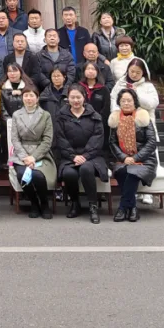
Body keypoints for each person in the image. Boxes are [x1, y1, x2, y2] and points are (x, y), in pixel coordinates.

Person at [54, 84, 108, 224]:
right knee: (69, 173)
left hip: (92, 156)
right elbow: (60, 138)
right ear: (68, 98)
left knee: (86, 168)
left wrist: (85, 156)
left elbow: (97, 138)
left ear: (84, 97)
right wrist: (73, 156)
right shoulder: (61, 116)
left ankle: (93, 206)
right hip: (69, 156)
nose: (76, 100)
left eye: (78, 97)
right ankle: (75, 203)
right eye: (72, 97)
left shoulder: (94, 116)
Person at [108, 88, 159, 222]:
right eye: (123, 101)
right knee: (121, 172)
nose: (126, 103)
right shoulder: (115, 119)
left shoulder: (143, 117)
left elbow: (151, 142)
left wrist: (135, 158)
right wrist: (124, 158)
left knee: (132, 173)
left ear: (134, 101)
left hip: (145, 160)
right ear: (119, 102)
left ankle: (122, 208)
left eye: (129, 100)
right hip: (122, 159)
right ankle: (133, 208)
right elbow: (112, 142)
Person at [7, 84, 55, 219]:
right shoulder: (17, 115)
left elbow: (47, 140)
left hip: (41, 153)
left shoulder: (45, 115)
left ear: (37, 98)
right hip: (21, 154)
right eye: (26, 95)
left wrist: (34, 157)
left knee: (38, 176)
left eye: (31, 95)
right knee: (22, 174)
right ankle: (34, 203)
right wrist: (25, 157)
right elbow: (15, 139)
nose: (28, 98)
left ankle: (44, 203)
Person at [80, 60, 112, 159]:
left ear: (97, 72)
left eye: (93, 69)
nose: (90, 71)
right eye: (88, 69)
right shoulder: (79, 87)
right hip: (81, 124)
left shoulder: (103, 89)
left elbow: (106, 108)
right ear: (84, 71)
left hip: (99, 124)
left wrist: (97, 120)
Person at [58, 7, 92, 72]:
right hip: (65, 67)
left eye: (71, 15)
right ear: (62, 17)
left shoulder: (84, 31)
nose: (68, 17)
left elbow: (89, 47)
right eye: (66, 15)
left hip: (82, 66)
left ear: (75, 17)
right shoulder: (58, 33)